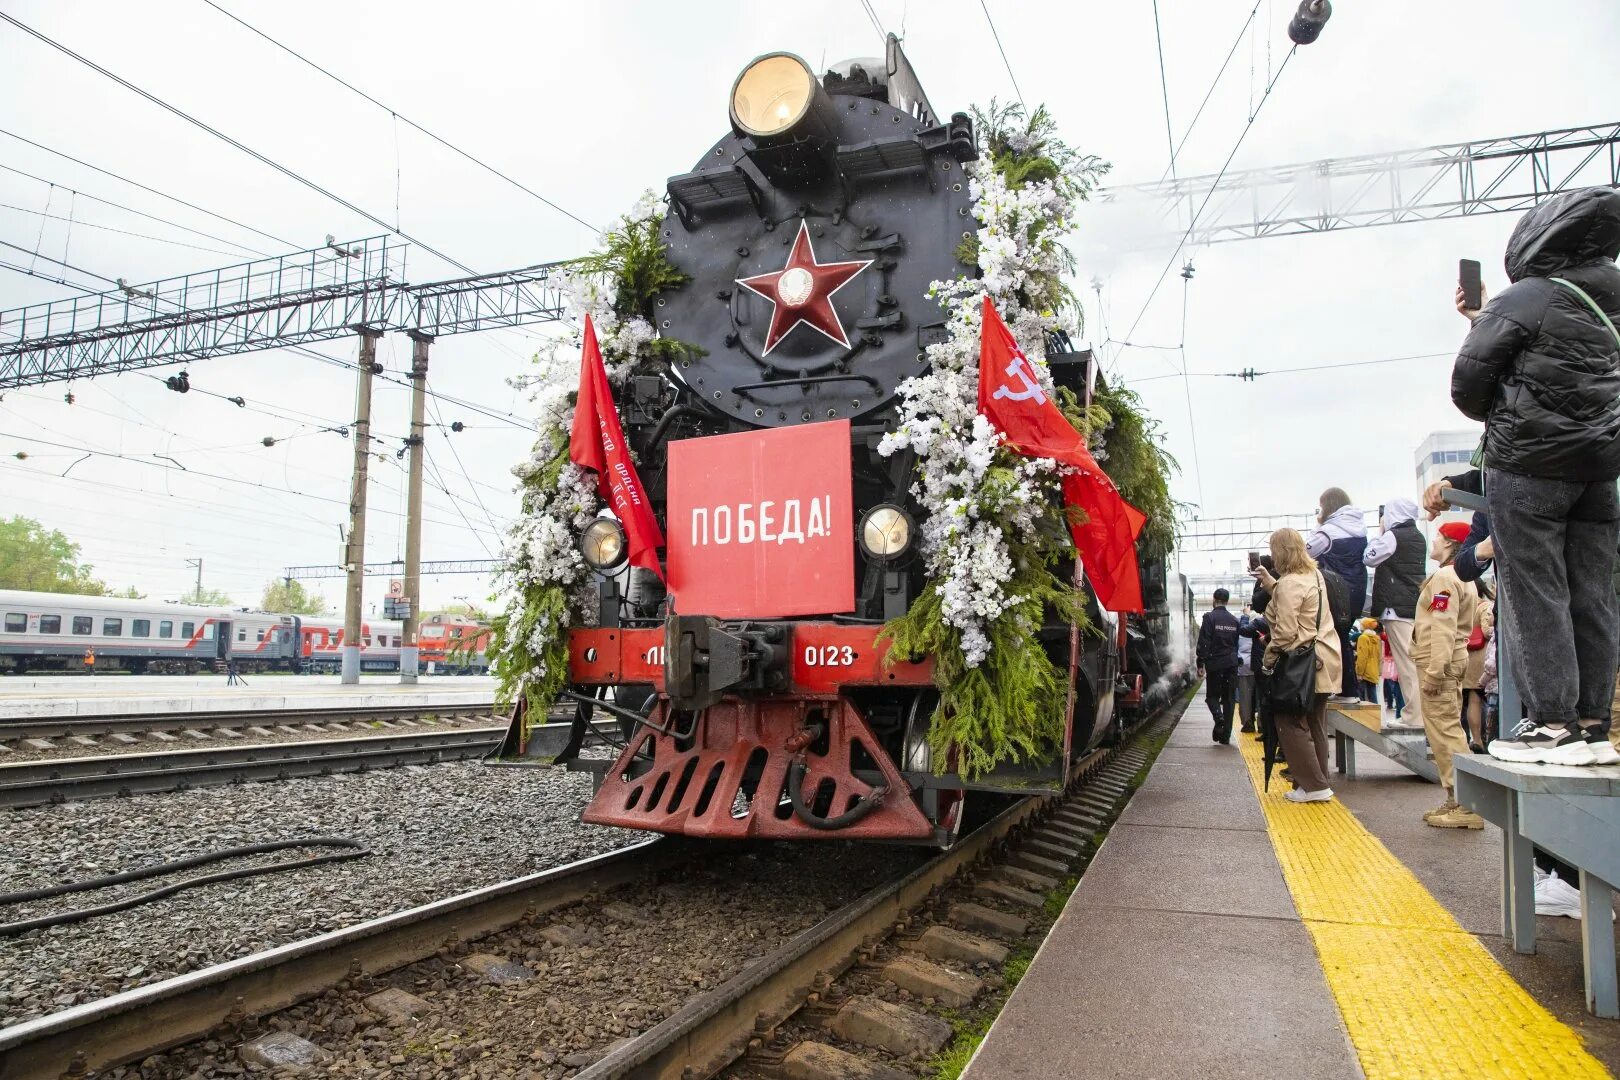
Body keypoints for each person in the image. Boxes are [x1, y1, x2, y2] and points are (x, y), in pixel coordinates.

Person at [1451, 186, 1620, 765]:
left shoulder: (1525, 296)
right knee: (1593, 591)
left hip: (1528, 468)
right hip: (1600, 473)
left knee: (1535, 588)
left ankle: (1551, 724)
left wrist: (1482, 323)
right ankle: (1593, 726)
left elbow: (1468, 387)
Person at [1253, 529, 1343, 803]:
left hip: (1303, 663)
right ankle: (1317, 782)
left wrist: (1268, 659)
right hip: (1325, 658)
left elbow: (1285, 631)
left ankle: (1314, 786)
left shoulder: (1291, 582)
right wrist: (1271, 584)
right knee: (1315, 721)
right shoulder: (1314, 576)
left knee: (1289, 721)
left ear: (1280, 552)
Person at [1412, 521, 1483, 828]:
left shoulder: (1444, 576)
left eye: (1439, 536)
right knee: (1447, 728)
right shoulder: (1463, 576)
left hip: (1438, 658)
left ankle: (1467, 805)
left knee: (1445, 731)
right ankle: (1455, 799)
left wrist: (1434, 671)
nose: (1434, 541)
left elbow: (1442, 625)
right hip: (1452, 657)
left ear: (1451, 543)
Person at [1364, 497, 1426, 732]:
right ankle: (1417, 714)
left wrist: (1380, 533)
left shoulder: (1393, 536)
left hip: (1396, 609)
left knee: (1406, 664)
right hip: (1412, 605)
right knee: (1414, 663)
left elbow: (1369, 557)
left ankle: (1413, 716)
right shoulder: (1418, 536)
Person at [1306, 488, 1367, 704]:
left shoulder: (1327, 532)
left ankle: (1345, 690)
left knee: (1335, 637)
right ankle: (1346, 690)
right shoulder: (1359, 528)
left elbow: (1306, 553)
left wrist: (1318, 526)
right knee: (1341, 635)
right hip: (1357, 589)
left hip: (1336, 590)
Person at [1196, 588, 1242, 744]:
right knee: (1229, 700)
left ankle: (1218, 717)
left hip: (1215, 664)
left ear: (1213, 599)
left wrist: (1200, 662)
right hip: (1231, 664)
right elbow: (1236, 644)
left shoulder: (1209, 618)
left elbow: (1204, 642)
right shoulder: (1235, 621)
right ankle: (1226, 736)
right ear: (1227, 601)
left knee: (1212, 697)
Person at [1235, 611, 1257, 734]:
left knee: (1245, 697)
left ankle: (1248, 722)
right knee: (1260, 697)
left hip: (1244, 666)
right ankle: (1262, 724)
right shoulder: (1264, 622)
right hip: (1260, 665)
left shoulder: (1243, 628)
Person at [1354, 617, 1382, 704]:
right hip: (1373, 671)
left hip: (1364, 672)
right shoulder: (1377, 638)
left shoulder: (1363, 638)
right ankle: (1375, 717)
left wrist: (1359, 672)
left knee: (1361, 698)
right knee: (1373, 697)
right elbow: (1379, 656)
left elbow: (1362, 657)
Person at [1380, 630, 1405, 722]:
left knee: (1398, 692)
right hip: (1398, 670)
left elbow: (1384, 636)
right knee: (1398, 692)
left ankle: (1400, 715)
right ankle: (1399, 715)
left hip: (1398, 669)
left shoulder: (1392, 637)